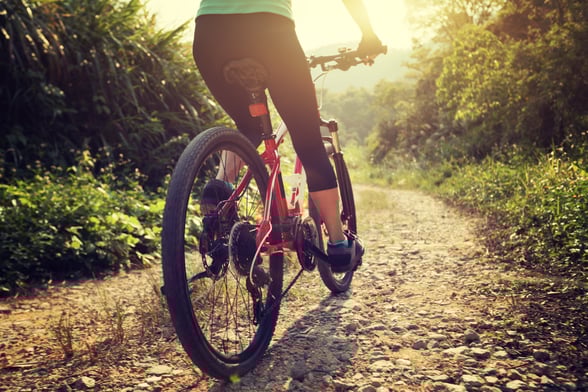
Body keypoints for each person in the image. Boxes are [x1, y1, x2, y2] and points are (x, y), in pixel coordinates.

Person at [193, 0, 383, 273]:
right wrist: (368, 33)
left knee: (247, 125)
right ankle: (339, 245)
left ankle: (220, 192)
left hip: (211, 33)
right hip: (270, 30)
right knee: (307, 140)